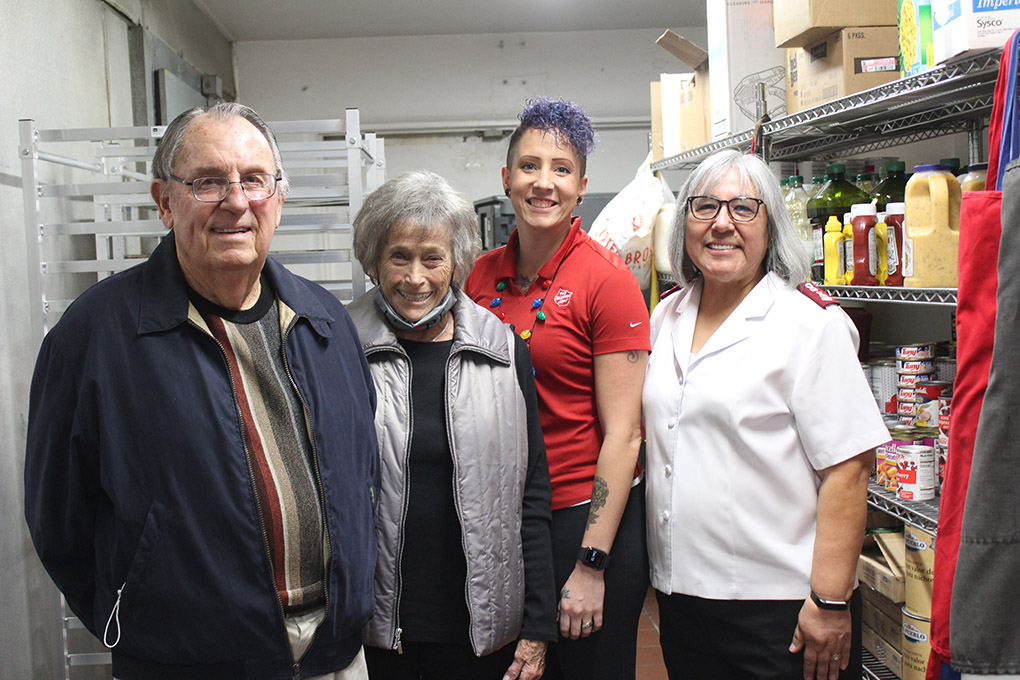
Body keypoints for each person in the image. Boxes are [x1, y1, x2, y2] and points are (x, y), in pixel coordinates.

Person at [24, 103, 379, 680]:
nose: (236, 201)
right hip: (187, 663)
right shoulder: (96, 337)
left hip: (333, 655)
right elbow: (58, 519)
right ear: (164, 201)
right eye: (208, 182)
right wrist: (143, 621)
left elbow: (365, 473)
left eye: (254, 180)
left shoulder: (325, 322)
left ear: (279, 198)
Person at [642, 149, 889, 680]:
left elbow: (848, 470)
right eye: (705, 208)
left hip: (781, 607)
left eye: (743, 209)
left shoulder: (810, 326)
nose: (722, 224)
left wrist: (829, 601)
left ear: (771, 226)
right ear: (684, 222)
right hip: (682, 596)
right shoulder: (667, 316)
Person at [465, 98, 651, 680]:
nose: (543, 182)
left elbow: (624, 434)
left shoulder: (607, 280)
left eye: (561, 169)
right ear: (505, 179)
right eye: (529, 166)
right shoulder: (479, 275)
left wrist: (592, 563)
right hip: (504, 513)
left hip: (580, 518)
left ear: (581, 185)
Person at [346, 170, 556, 680]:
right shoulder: (336, 347)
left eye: (432, 258)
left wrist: (537, 624)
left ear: (457, 264)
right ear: (375, 261)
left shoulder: (504, 351)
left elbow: (530, 493)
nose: (415, 277)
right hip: (372, 628)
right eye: (399, 256)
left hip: (477, 629)